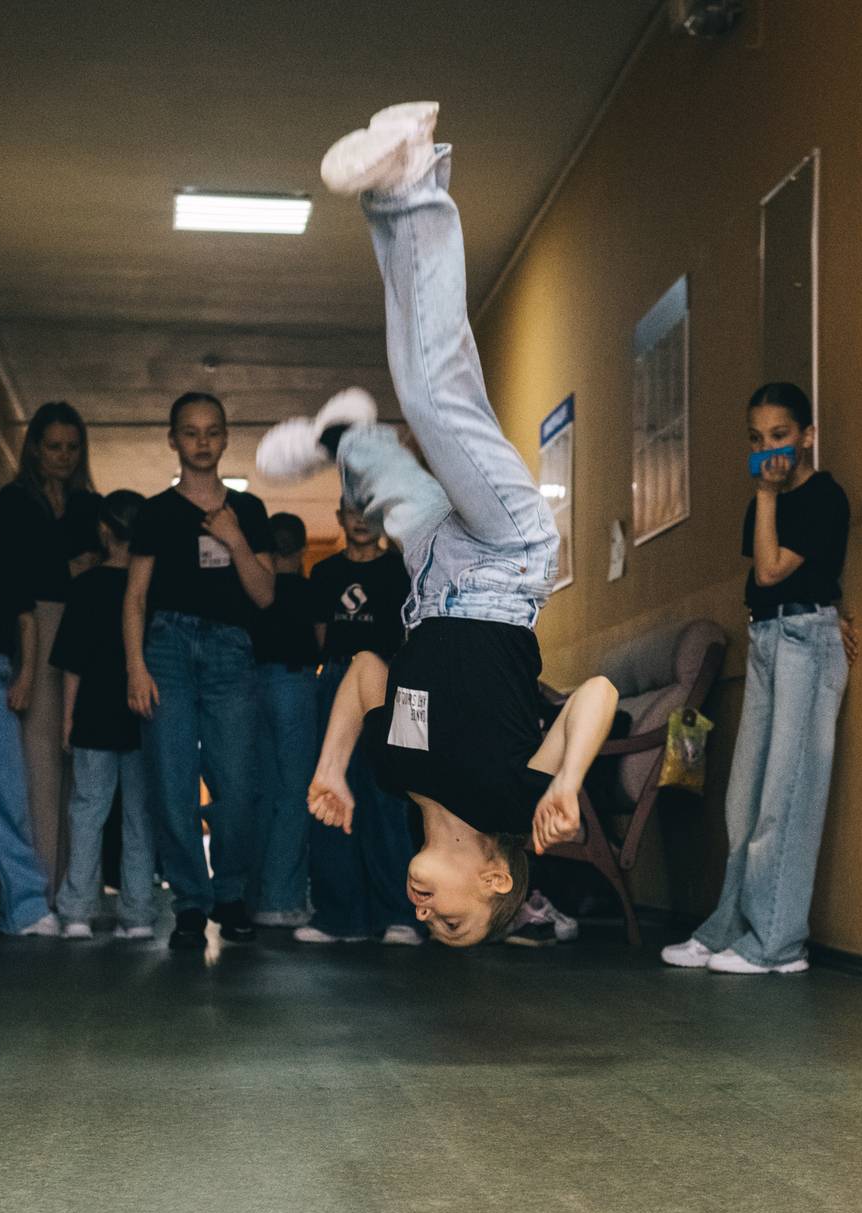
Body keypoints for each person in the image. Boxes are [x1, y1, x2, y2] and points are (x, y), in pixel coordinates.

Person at [257, 103, 618, 947]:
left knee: (392, 469)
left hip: (429, 576)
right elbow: (598, 694)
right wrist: (568, 781)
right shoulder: (514, 802)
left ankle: (351, 441)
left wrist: (333, 770)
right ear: (496, 880)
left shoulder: (396, 774)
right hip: (503, 559)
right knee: (434, 396)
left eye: (425, 921)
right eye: (449, 919)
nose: (425, 911)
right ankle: (415, 178)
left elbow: (363, 673)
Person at [662, 382, 852, 975]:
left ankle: (776, 945)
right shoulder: (763, 505)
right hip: (767, 640)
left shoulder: (824, 496)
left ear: (807, 436)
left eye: (780, 436)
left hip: (806, 640)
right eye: (756, 438)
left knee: (785, 798)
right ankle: (728, 928)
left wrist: (766, 493)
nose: (768, 449)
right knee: (742, 802)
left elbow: (771, 572)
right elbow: (762, 579)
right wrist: (765, 498)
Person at [124, 393, 275, 950]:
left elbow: (264, 595)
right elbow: (135, 597)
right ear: (174, 440)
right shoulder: (156, 512)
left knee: (237, 784)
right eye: (191, 431)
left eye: (212, 431)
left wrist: (234, 539)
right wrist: (135, 666)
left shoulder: (249, 511)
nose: (202, 441)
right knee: (171, 783)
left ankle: (230, 894)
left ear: (226, 436)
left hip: (230, 649)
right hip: (166, 647)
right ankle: (189, 903)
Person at [0, 402, 100, 900]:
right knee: (37, 762)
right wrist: (65, 569)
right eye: (54, 446)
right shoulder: (13, 501)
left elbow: (101, 567)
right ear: (34, 448)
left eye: (72, 447)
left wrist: (64, 570)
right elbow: (5, 572)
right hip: (35, 628)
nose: (64, 456)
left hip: (84, 631)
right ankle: (37, 890)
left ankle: (72, 890)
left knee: (81, 762)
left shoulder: (88, 504)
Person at [293, 495, 419, 945]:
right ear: (339, 517)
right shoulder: (325, 573)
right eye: (352, 511)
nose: (361, 520)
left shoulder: (402, 569)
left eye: (370, 512)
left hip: (391, 680)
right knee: (331, 792)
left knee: (390, 799)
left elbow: (413, 632)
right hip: (336, 682)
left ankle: (401, 915)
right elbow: (320, 636)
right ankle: (339, 917)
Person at [51, 490, 157, 939]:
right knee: (140, 817)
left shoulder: (85, 586)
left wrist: (67, 720)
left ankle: (77, 912)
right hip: (144, 713)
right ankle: (138, 914)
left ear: (103, 530)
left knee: (87, 812)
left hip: (94, 712)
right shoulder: (154, 586)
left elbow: (72, 664)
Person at [0, 476, 57, 938]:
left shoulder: (1, 564)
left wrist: (25, 677)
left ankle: (26, 908)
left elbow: (27, 623)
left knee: (7, 794)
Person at [247, 511, 319, 928]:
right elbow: (322, 642)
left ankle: (254, 895)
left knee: (262, 792)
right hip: (295, 683)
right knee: (295, 794)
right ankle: (281, 899)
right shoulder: (309, 591)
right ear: (303, 548)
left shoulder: (254, 590)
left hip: (252, 684)